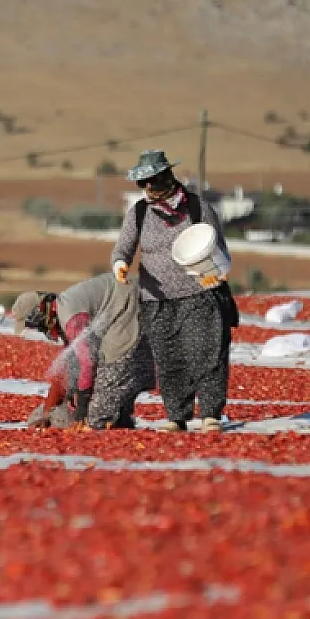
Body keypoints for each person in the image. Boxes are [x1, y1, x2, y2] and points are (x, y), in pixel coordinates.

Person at [109, 148, 235, 433]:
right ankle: (177, 416)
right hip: (156, 300)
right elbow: (123, 248)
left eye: (153, 180)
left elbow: (218, 248)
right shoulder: (139, 212)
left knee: (206, 353)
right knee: (169, 359)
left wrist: (215, 273)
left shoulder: (197, 208)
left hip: (199, 294)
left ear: (167, 176)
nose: (148, 187)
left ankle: (210, 414)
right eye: (143, 182)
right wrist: (120, 266)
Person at [11, 272, 150, 430]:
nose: (39, 329)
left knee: (97, 417)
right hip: (124, 302)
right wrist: (48, 411)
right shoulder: (63, 313)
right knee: (95, 389)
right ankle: (117, 411)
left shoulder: (71, 318)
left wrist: (81, 410)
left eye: (35, 324)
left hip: (129, 301)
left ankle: (114, 411)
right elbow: (67, 366)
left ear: (41, 312)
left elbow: (87, 362)